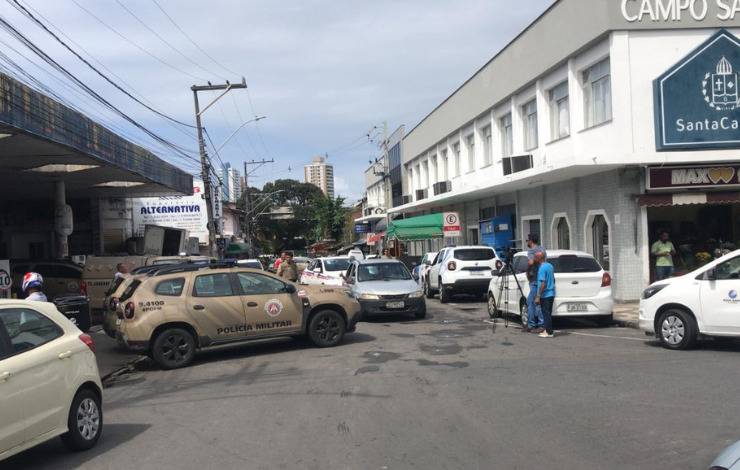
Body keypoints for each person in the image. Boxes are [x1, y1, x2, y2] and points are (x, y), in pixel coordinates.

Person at [523, 234, 546, 333]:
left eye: (527, 240)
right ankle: (533, 324)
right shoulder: (542, 249)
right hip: (541, 278)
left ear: (531, 241)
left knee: (535, 302)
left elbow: (531, 263)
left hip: (534, 279)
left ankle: (537, 325)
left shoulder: (531, 251)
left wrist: (528, 269)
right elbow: (543, 260)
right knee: (533, 302)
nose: (527, 242)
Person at [534, 251, 556, 338]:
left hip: (545, 294)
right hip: (551, 293)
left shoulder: (542, 268)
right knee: (548, 313)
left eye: (536, 257)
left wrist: (538, 296)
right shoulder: (550, 266)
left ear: (540, 258)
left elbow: (543, 283)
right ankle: (547, 330)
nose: (535, 258)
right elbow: (553, 279)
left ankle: (549, 332)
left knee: (546, 313)